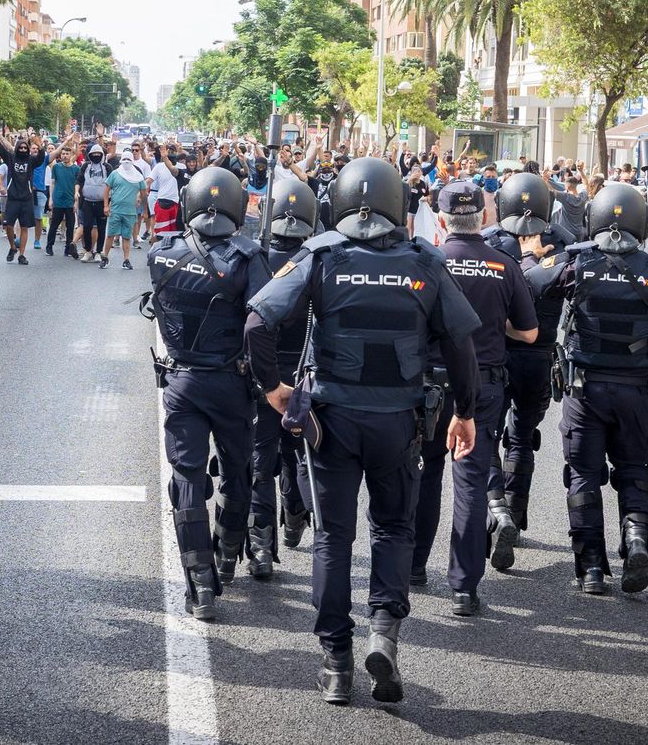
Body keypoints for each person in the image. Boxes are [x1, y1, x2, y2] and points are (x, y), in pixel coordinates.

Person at [245, 157, 481, 706]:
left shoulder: (322, 254)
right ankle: (383, 634)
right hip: (400, 421)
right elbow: (460, 344)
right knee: (393, 530)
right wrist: (465, 412)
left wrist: (273, 389)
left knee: (334, 536)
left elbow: (258, 320)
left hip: (333, 421)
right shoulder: (424, 259)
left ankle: (335, 664)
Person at [535, 183, 648, 594]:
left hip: (584, 391)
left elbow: (530, 286)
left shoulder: (576, 262)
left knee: (583, 476)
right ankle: (637, 540)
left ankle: (590, 570)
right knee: (634, 469)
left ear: (594, 218)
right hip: (637, 391)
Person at [142, 167, 270, 619]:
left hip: (180, 381)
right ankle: (228, 554)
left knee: (187, 477)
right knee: (238, 471)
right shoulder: (248, 256)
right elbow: (262, 320)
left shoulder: (161, 252)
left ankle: (200, 586)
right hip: (230, 383)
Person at [412, 180, 538, 615]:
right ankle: (464, 588)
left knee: (424, 473)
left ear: (442, 220)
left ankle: (413, 568)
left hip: (428, 383)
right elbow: (529, 332)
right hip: (483, 384)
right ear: (483, 219)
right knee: (469, 483)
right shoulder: (504, 264)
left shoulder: (427, 262)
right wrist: (493, 324)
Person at [479, 171, 574, 571]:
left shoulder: (488, 242)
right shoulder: (564, 243)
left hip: (495, 356)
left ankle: (497, 508)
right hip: (537, 355)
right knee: (521, 438)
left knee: (485, 435)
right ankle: (513, 515)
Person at [245, 176, 318, 581]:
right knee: (297, 451)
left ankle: (260, 547)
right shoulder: (319, 261)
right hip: (303, 370)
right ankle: (294, 510)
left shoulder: (256, 258)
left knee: (261, 459)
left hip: (263, 371)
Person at [0, 127, 46, 263]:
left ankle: (22, 254)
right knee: (8, 225)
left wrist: (39, 144)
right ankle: (12, 247)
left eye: (25, 148)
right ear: (16, 148)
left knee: (24, 227)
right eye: (20, 148)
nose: (22, 150)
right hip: (13, 197)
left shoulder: (31, 160)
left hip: (27, 198)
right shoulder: (11, 158)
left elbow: (41, 157)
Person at [104, 151, 147, 270]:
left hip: (130, 212)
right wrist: (106, 206)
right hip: (116, 210)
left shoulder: (138, 176)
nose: (127, 162)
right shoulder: (115, 173)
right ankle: (105, 257)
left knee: (127, 237)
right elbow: (107, 190)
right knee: (111, 235)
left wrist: (145, 211)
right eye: (125, 160)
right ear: (121, 161)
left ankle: (126, 260)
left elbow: (144, 194)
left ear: (132, 161)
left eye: (129, 160)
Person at [78, 144, 110, 262]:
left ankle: (98, 252)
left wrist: (108, 204)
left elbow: (111, 184)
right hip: (87, 202)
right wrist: (77, 192)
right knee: (86, 227)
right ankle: (88, 251)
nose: (96, 156)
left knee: (101, 228)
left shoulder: (107, 167)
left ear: (102, 155)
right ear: (89, 155)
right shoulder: (86, 166)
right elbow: (79, 180)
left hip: (102, 202)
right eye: (93, 154)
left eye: (98, 154)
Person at [46, 147, 81, 257]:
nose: (65, 156)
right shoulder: (56, 167)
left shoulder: (76, 169)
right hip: (58, 200)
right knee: (54, 225)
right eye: (63, 154)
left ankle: (68, 248)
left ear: (71, 155)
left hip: (70, 201)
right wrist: (51, 198)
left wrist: (76, 202)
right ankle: (49, 246)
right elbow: (52, 183)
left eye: (67, 153)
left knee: (70, 226)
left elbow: (77, 186)